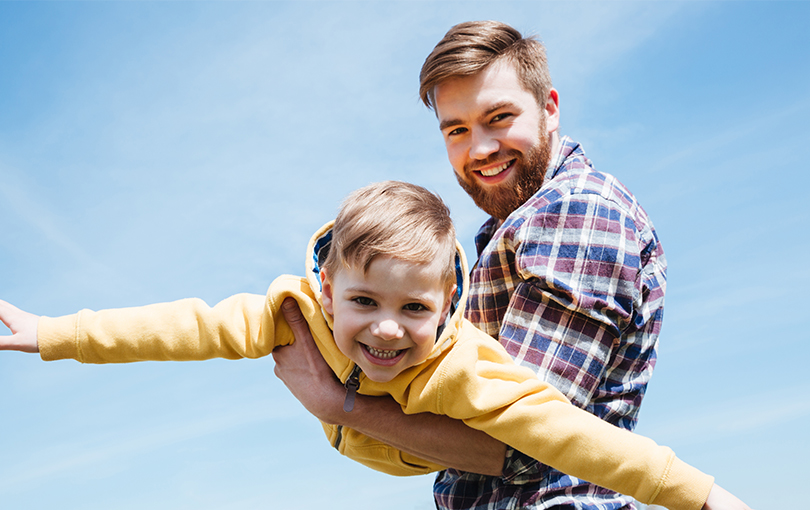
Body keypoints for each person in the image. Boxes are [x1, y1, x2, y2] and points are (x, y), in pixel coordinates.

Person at [0, 181, 748, 510]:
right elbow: (180, 327)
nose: (387, 330)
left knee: (536, 436)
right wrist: (51, 335)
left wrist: (700, 494)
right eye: (364, 303)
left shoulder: (464, 371)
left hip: (428, 445)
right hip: (357, 430)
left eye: (414, 309)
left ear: (448, 305)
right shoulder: (292, 312)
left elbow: (580, 439)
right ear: (327, 290)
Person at [270, 21, 749, 510]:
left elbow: (521, 444)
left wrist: (339, 405)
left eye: (498, 117)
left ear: (549, 109)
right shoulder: (508, 231)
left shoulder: (575, 211)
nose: (479, 149)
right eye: (457, 130)